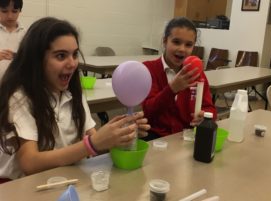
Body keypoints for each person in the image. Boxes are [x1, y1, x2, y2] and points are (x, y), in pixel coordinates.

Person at [0, 17, 150, 183]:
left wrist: (118, 136)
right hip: (22, 185)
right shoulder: (20, 97)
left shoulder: (72, 92)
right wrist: (92, 144)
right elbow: (29, 163)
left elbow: (94, 141)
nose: (72, 63)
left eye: (75, 54)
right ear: (36, 59)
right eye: (61, 56)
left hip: (65, 179)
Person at [142, 17, 216, 140]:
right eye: (176, 42)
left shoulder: (196, 73)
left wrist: (206, 117)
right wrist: (172, 89)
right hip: (156, 138)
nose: (182, 49)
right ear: (165, 41)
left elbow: (210, 108)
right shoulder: (148, 70)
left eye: (188, 45)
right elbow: (148, 112)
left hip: (187, 137)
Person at [0, 0, 25, 81]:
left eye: (14, 11)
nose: (10, 16)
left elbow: (32, 60)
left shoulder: (26, 34)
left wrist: (16, 56)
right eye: (4, 11)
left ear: (20, 10)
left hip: (18, 86)